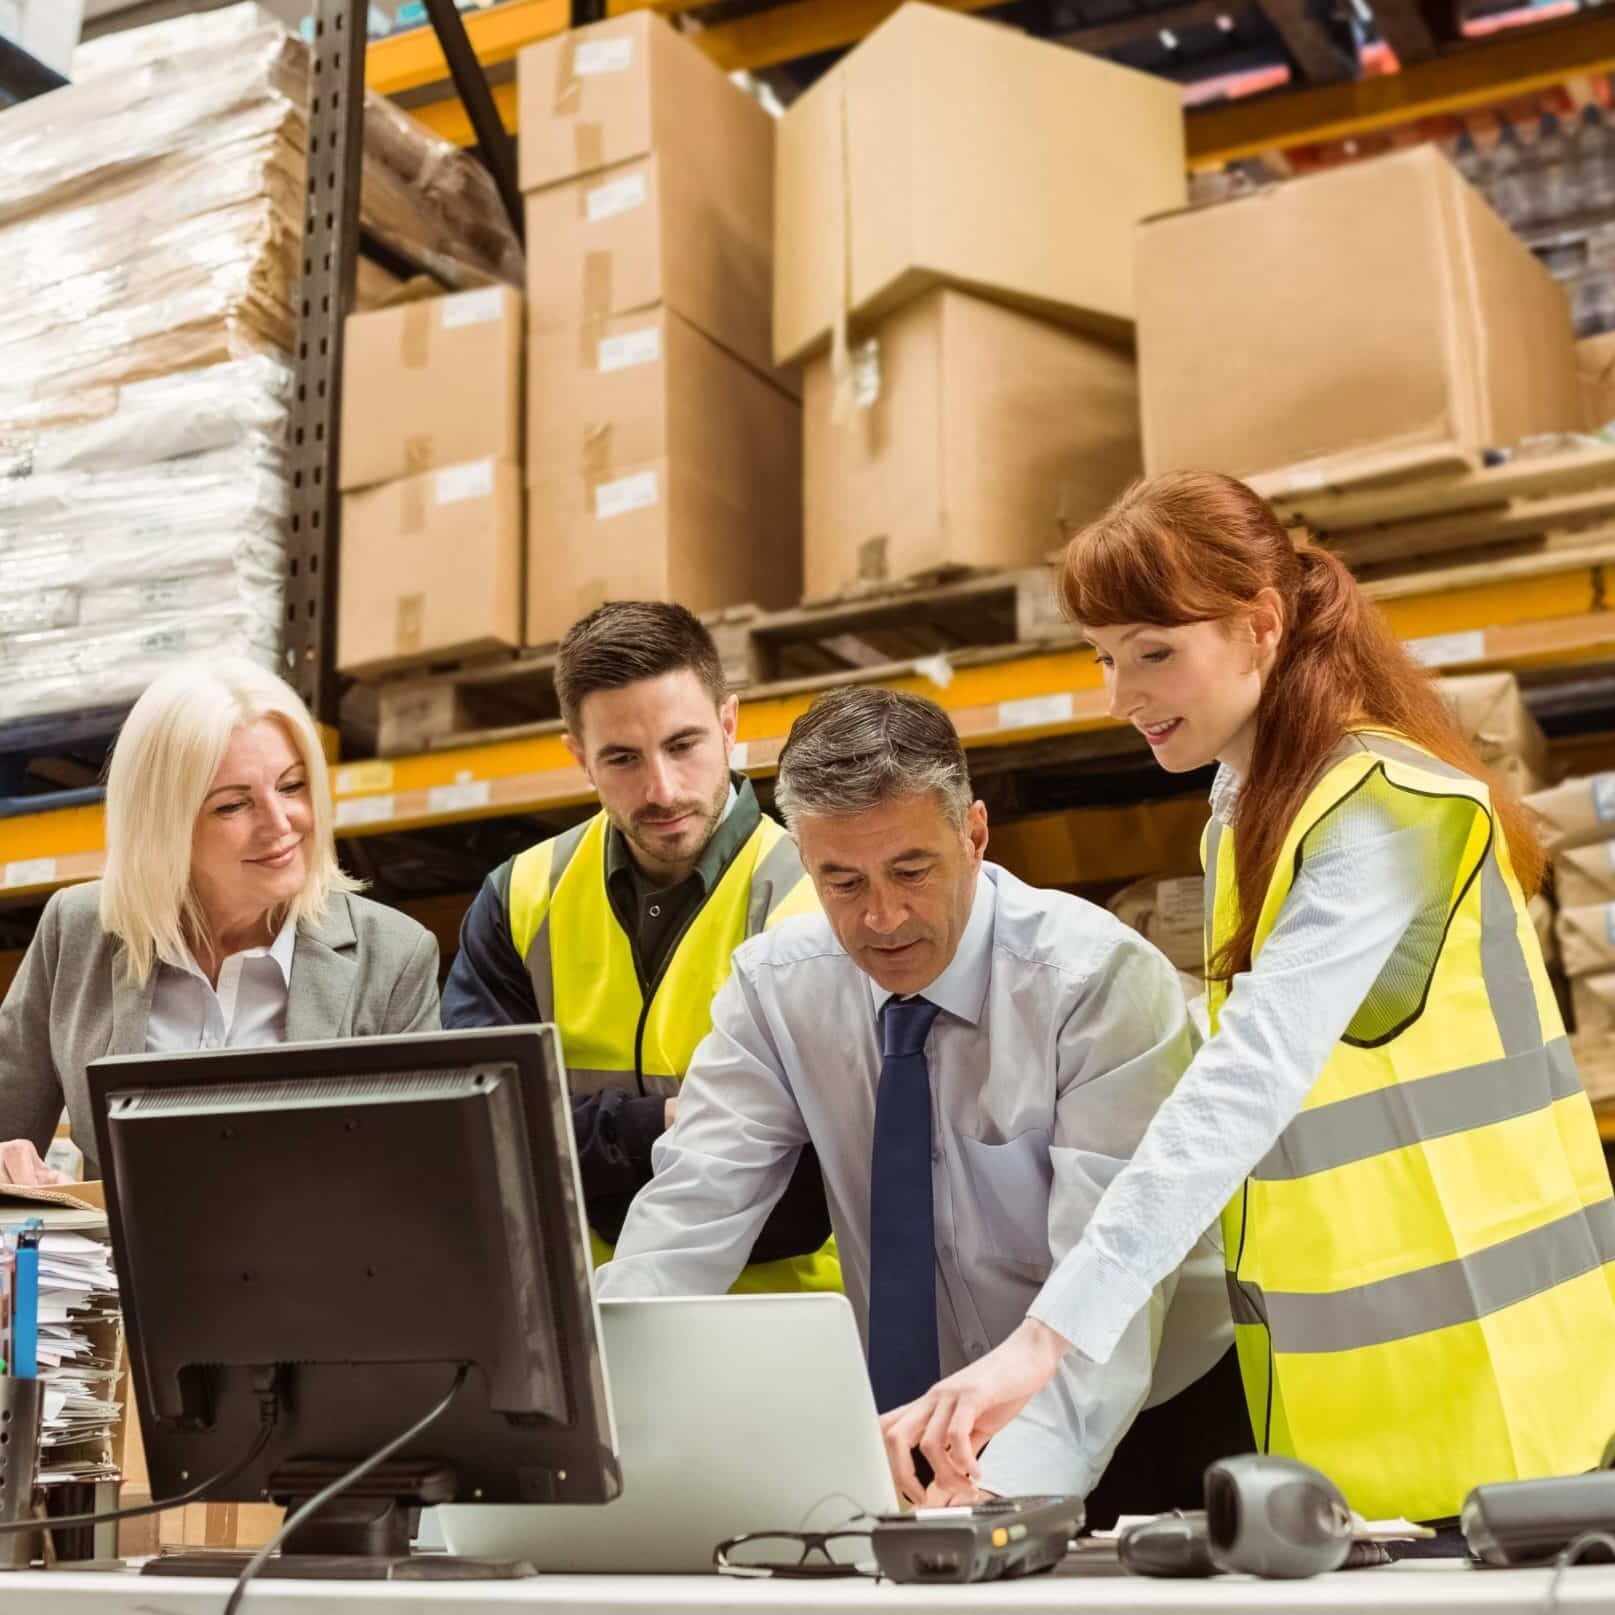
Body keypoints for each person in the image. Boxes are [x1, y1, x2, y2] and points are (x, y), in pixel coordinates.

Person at [886, 470, 1615, 1527]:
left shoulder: (1377, 812)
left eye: (1153, 651)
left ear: (1258, 626)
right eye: (1103, 656)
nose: (1120, 694)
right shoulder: (1251, 808)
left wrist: (1048, 1338)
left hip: (1498, 1393)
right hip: (1369, 1411)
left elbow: (1249, 1079)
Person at [597, 686, 1242, 1509]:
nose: (881, 916)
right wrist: (577, 1416)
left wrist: (990, 1505)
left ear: (973, 834)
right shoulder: (778, 988)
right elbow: (685, 1217)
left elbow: (1105, 1291)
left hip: (1139, 1414)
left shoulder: (1096, 982)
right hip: (911, 1422)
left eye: (910, 869)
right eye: (841, 881)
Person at [441, 602, 839, 1293]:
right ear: (577, 756)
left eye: (682, 744)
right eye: (622, 758)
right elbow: (480, 1133)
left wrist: (587, 1138)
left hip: (788, 1318)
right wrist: (663, 1121)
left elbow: (810, 1159)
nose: (661, 789)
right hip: (589, 1323)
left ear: (728, 724)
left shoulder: (822, 897)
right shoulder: (520, 899)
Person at [0, 657, 440, 1186]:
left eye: (292, 786)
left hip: (316, 1265)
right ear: (163, 825)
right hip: (120, 1267)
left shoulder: (392, 955)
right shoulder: (77, 928)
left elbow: (416, 1180)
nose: (280, 824)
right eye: (234, 806)